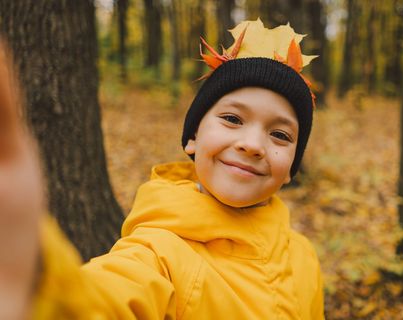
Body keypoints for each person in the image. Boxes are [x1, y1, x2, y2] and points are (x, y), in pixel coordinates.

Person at [0, 19, 324, 319]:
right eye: (232, 119)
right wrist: (33, 275)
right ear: (193, 139)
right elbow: (99, 302)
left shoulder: (302, 256)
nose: (252, 144)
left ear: (292, 169)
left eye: (280, 135)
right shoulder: (159, 255)